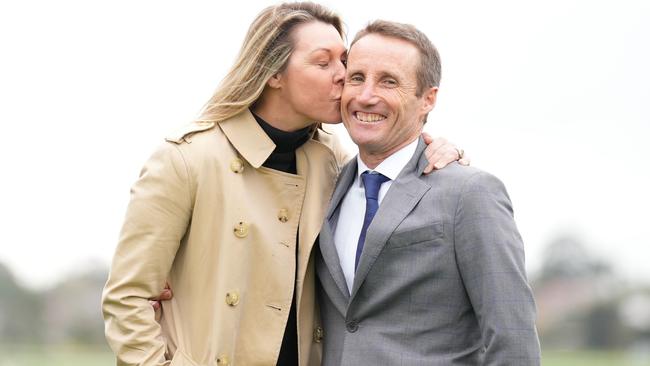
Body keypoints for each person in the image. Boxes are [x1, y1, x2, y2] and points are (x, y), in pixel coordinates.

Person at [101, 3, 464, 366]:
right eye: (324, 63)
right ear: (274, 73)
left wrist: (434, 149)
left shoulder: (333, 161)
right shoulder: (188, 158)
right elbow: (127, 297)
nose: (343, 75)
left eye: (343, 61)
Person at [315, 20, 541, 365]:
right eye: (357, 78)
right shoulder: (325, 186)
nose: (365, 96)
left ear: (427, 99)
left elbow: (514, 341)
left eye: (388, 81)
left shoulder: (470, 193)